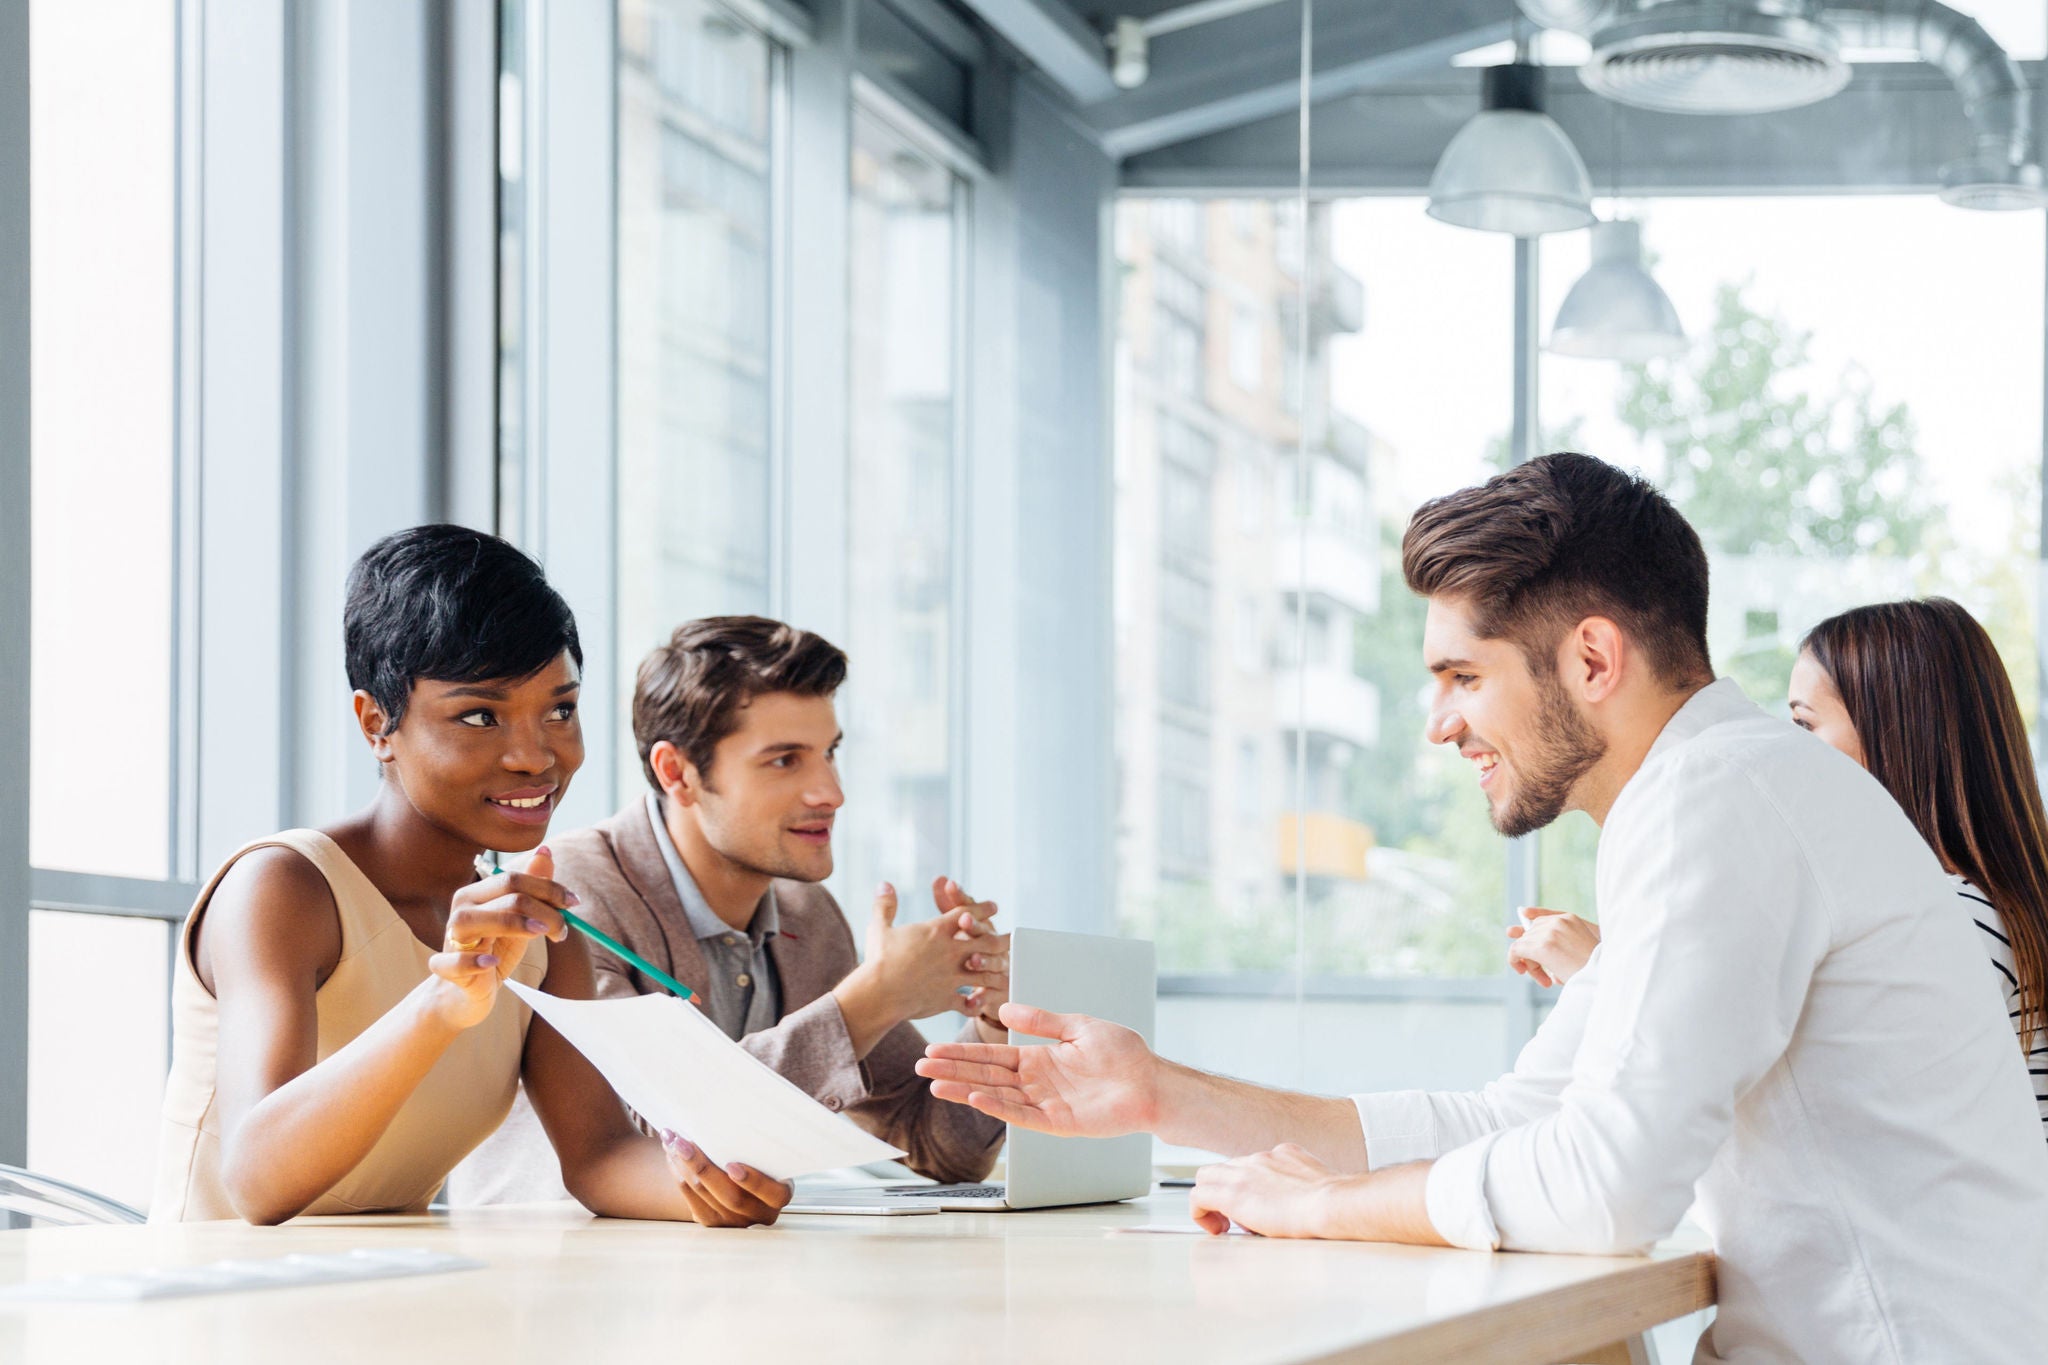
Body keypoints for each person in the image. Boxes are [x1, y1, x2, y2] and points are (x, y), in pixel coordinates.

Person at [917, 454, 2048, 1362]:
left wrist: (1322, 1210)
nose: (1439, 724)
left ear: (1591, 659)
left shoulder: (1721, 802)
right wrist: (1159, 1093)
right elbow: (1515, 1117)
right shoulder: (1714, 793)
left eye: (1463, 677)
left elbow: (1603, 1187)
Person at [152, 526, 789, 1228]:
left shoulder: (537, 929)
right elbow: (255, 1181)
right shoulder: (282, 889)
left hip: (383, 1304)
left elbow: (600, 1156)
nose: (534, 755)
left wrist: (712, 1186)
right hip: (218, 1310)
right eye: (480, 715)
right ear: (376, 723)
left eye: (560, 710)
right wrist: (439, 1007)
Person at [454, 616, 1008, 1204]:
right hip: (553, 1264)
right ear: (679, 773)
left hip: (720, 1271)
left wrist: (995, 1027)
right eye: (784, 760)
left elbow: (944, 1148)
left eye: (830, 753)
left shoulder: (806, 915)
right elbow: (667, 1139)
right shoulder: (567, 897)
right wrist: (871, 1001)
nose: (831, 792)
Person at [1505, 597, 2048, 1139]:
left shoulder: (1951, 922)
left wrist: (1607, 975)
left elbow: (1810, 1130)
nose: (1789, 749)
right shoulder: (1974, 912)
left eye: (1804, 724)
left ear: (1901, 739)